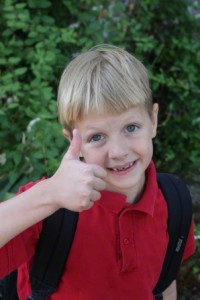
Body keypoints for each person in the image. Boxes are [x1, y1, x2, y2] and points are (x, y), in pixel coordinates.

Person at [0, 45, 195, 300]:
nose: (117, 151)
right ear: (73, 141)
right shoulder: (46, 207)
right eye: (97, 136)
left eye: (131, 127)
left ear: (154, 120)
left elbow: (164, 284)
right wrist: (49, 195)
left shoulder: (174, 202)